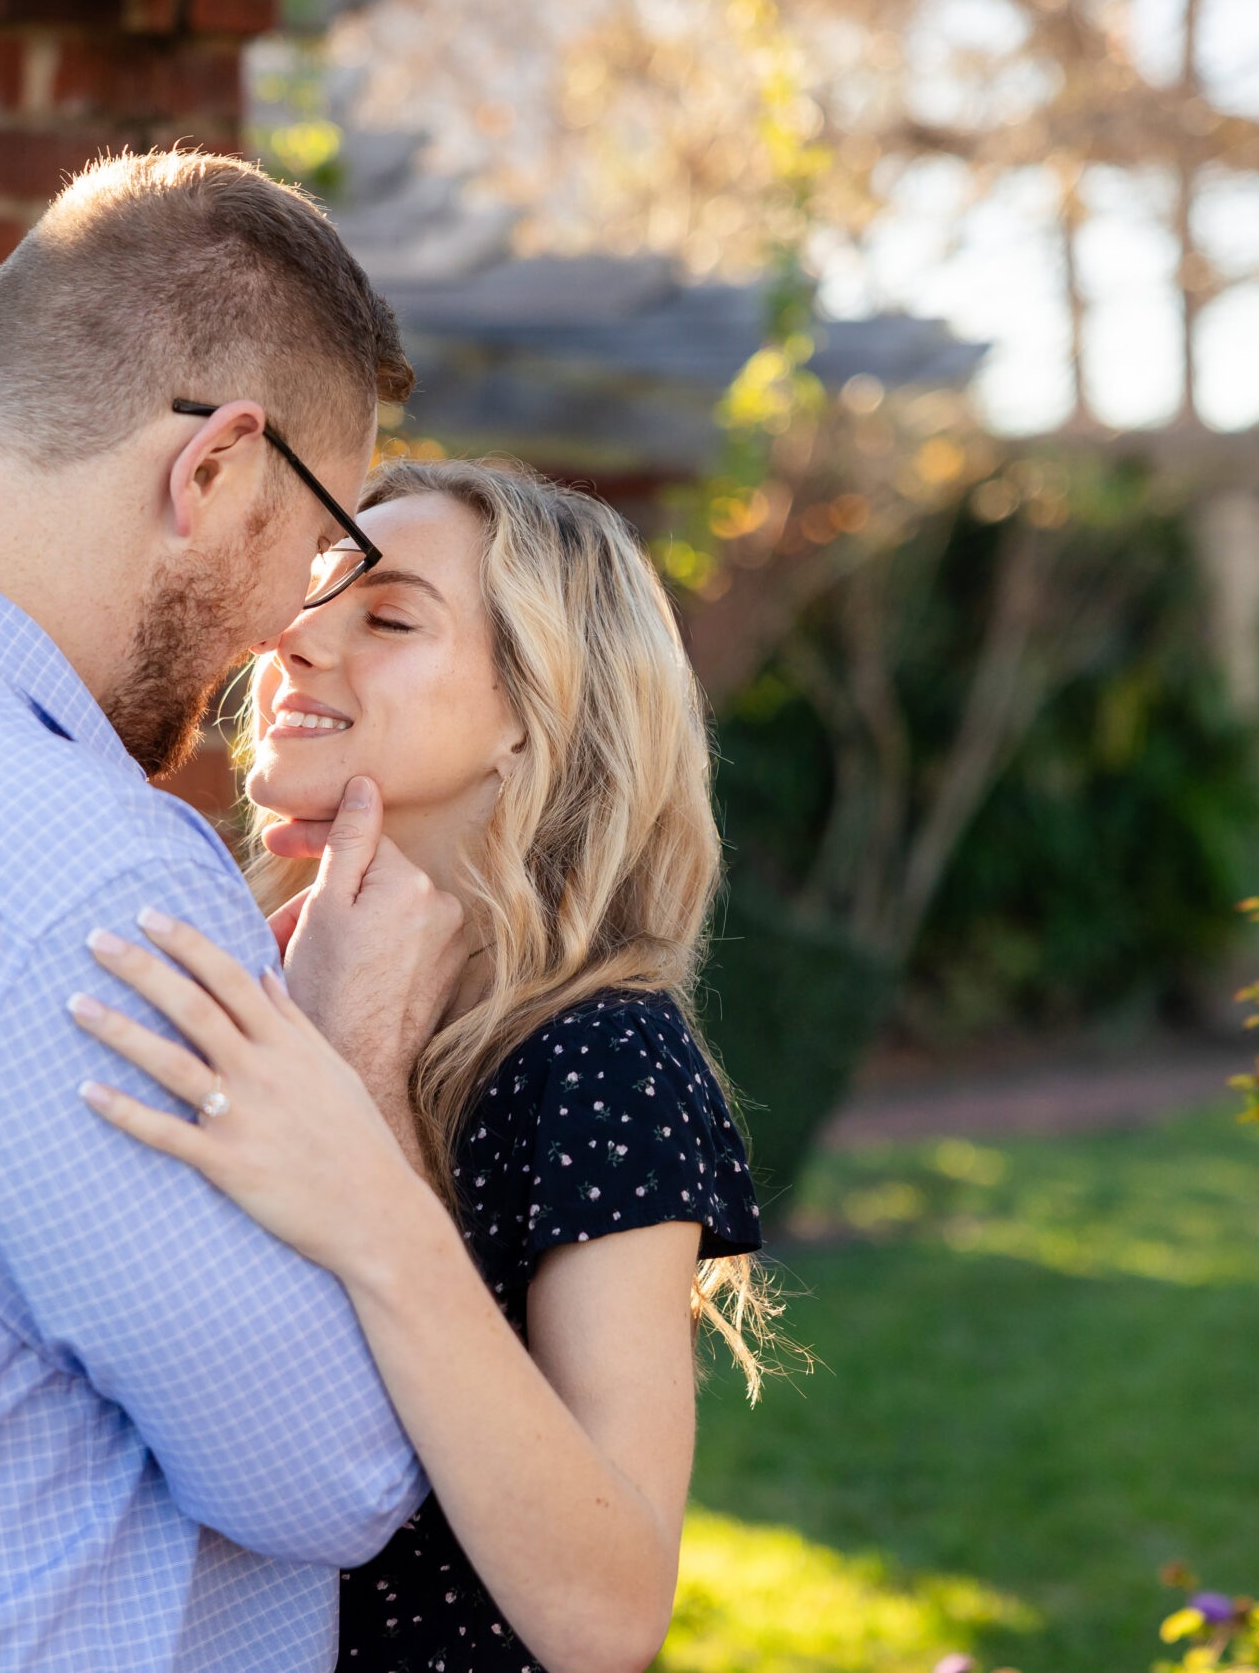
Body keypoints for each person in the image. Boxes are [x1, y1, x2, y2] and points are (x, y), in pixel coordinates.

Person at [0, 150, 471, 1671]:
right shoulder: (84, 873)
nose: (296, 623)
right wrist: (355, 1062)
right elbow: (336, 1473)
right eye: (326, 539)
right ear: (212, 468)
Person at [68, 458, 768, 1673]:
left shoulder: (598, 1054)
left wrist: (364, 1105)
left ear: (533, 711)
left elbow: (606, 1615)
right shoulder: (247, 973)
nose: (293, 637)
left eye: (386, 616)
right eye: (313, 596)